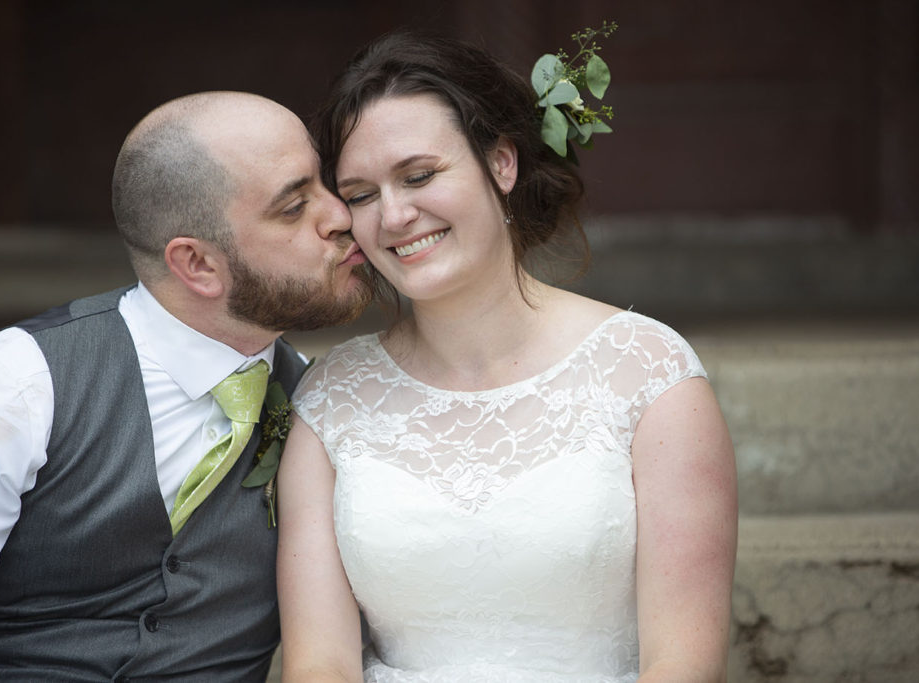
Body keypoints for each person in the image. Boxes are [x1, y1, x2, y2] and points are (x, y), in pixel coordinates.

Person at [277, 32, 738, 682]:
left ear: (501, 163)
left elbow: (684, 661)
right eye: (360, 193)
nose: (395, 214)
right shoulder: (332, 399)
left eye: (419, 175)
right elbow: (319, 662)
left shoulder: (651, 374)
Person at [0, 91, 371, 681]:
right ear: (197, 265)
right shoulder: (19, 385)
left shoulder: (324, 402)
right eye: (294, 206)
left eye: (326, 184)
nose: (342, 216)